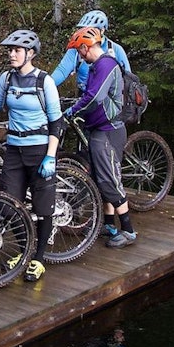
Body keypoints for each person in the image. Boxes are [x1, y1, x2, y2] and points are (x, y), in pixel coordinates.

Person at [0, 30, 63, 283]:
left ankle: (38, 258)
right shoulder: (6, 80)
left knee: (43, 209)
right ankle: (24, 250)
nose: (11, 54)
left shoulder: (44, 82)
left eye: (17, 50)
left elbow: (57, 123)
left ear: (31, 54)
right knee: (9, 205)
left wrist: (50, 156)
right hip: (14, 150)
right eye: (10, 50)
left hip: (39, 150)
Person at [63, 26, 137, 248]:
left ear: (85, 48)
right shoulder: (97, 66)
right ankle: (109, 225)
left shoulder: (105, 65)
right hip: (98, 129)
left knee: (109, 179)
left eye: (78, 51)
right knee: (99, 177)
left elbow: (94, 97)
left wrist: (73, 111)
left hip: (108, 131)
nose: (79, 56)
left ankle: (128, 230)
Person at [51, 9, 131, 93]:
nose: (85, 33)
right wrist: (45, 86)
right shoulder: (76, 49)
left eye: (90, 30)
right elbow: (62, 71)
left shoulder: (116, 50)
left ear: (102, 30)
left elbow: (127, 78)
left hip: (109, 99)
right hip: (84, 95)